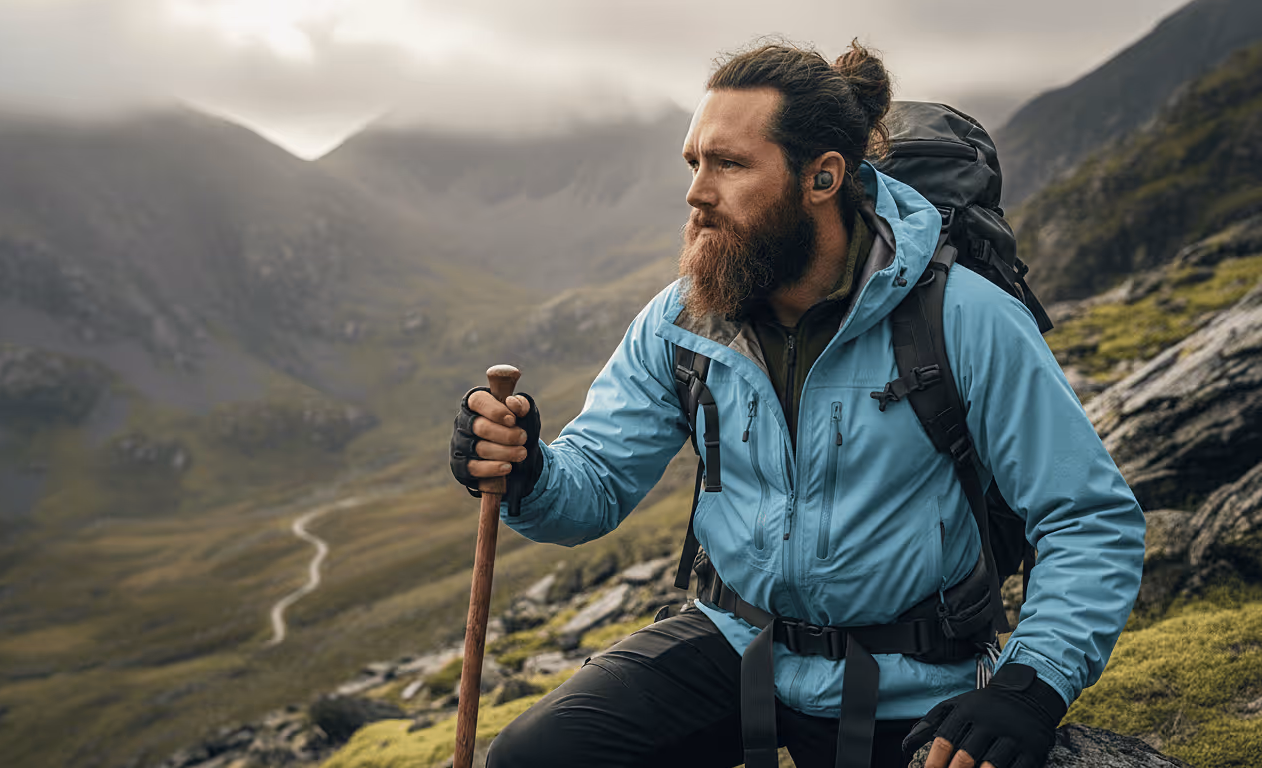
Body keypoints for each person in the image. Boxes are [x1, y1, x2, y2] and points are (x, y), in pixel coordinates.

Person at [450, 39, 1144, 768]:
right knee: (532, 758)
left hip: (914, 672)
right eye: (695, 163)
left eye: (730, 164)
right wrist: (527, 469)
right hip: (733, 640)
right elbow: (591, 487)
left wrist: (1028, 688)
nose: (697, 191)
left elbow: (1087, 518)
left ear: (822, 177)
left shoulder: (964, 318)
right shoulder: (685, 318)